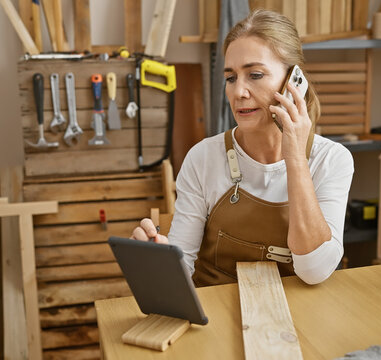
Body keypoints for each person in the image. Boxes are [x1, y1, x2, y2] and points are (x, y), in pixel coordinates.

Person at [131, 9, 353, 286]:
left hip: (298, 318)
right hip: (213, 313)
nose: (238, 92)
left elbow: (315, 271)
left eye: (255, 75)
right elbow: (181, 265)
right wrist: (158, 262)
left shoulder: (332, 160)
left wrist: (294, 156)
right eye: (231, 78)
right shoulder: (203, 157)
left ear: (293, 82)